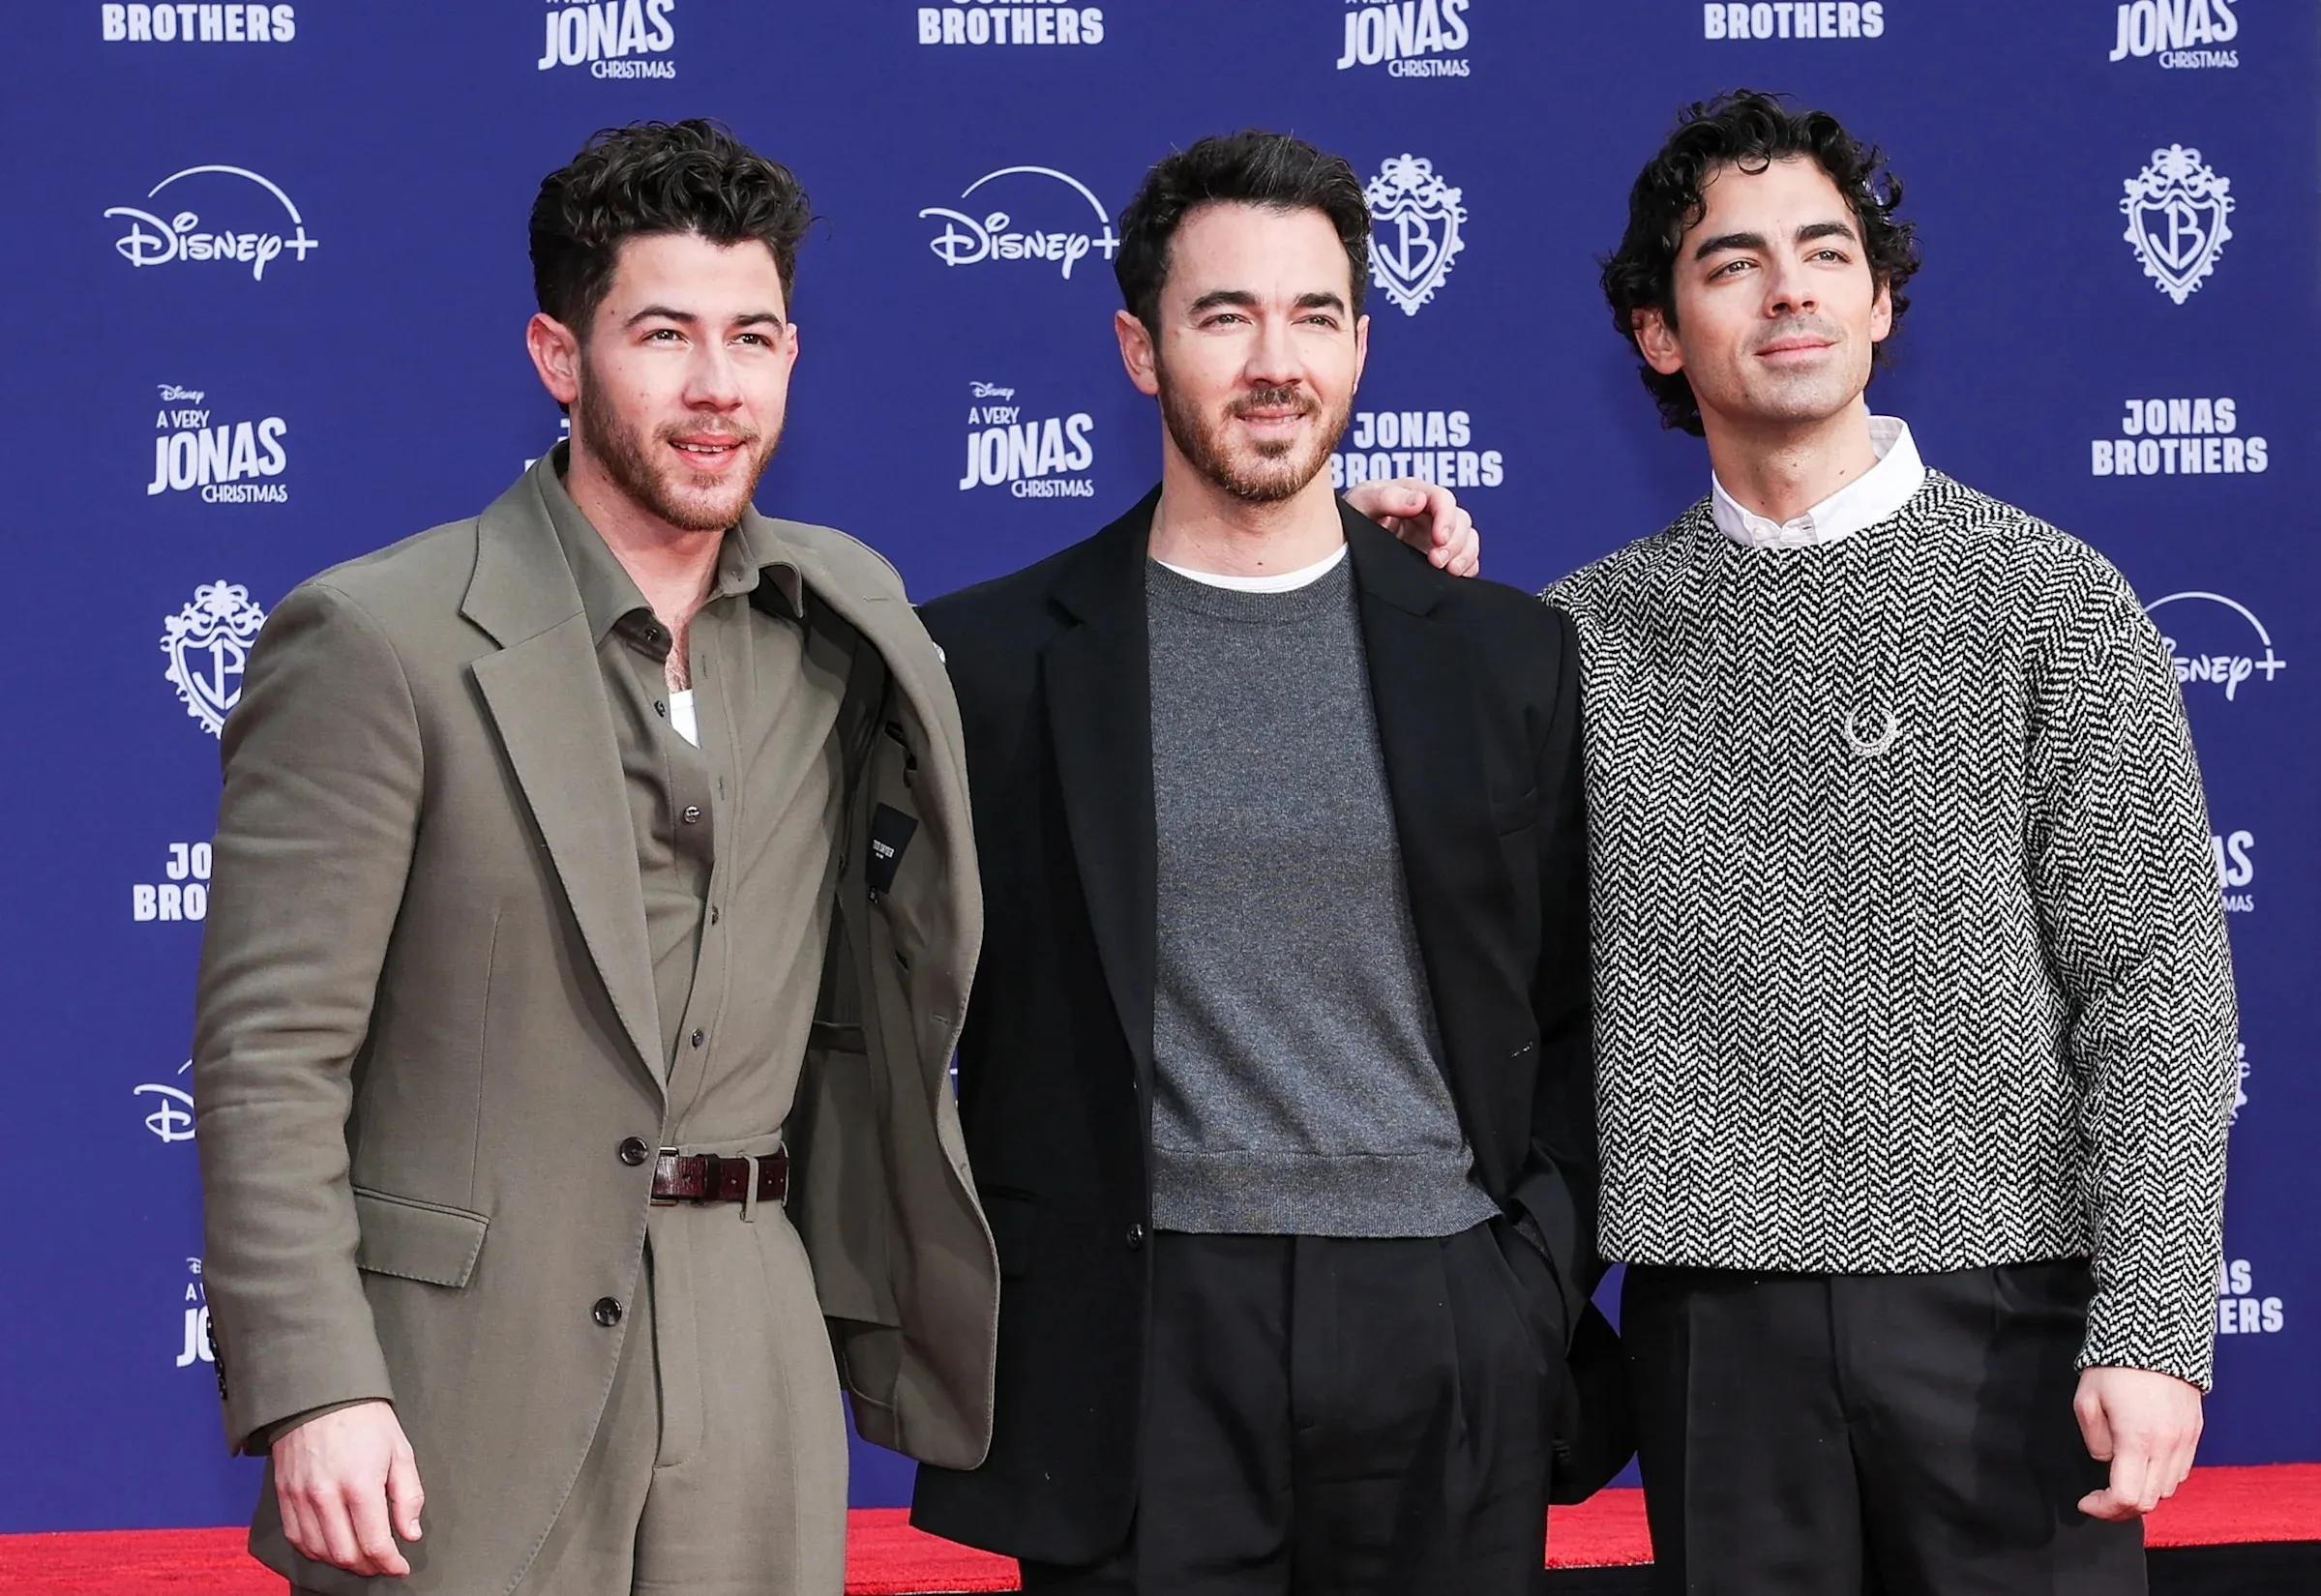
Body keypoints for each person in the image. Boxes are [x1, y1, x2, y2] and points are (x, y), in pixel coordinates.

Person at [193, 117, 1478, 1596]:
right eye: (661, 334)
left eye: (753, 336)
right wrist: (314, 1384)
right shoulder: (376, 639)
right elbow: (269, 1056)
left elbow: (1101, 657)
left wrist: (1342, 564)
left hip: (754, 1358)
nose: (713, 389)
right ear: (559, 355)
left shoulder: (844, 623)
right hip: (457, 1379)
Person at [1546, 91, 2239, 1593]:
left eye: (1822, 250)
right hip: (1712, 1329)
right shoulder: (1573, 638)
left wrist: (2153, 1324)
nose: (1787, 286)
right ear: (1659, 332)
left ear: (1875, 297)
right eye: (1730, 262)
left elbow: (2156, 985)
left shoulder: (2050, 599)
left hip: (2013, 1322)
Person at [908, 131, 1600, 1595]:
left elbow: (1578, 997)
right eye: (1224, 314)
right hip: (1137, 1334)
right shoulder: (988, 661)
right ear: (1139, 347)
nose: (1274, 360)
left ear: (1361, 341)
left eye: (1315, 315)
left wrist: (1525, 1279)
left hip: (1442, 1312)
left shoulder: (1502, 655)